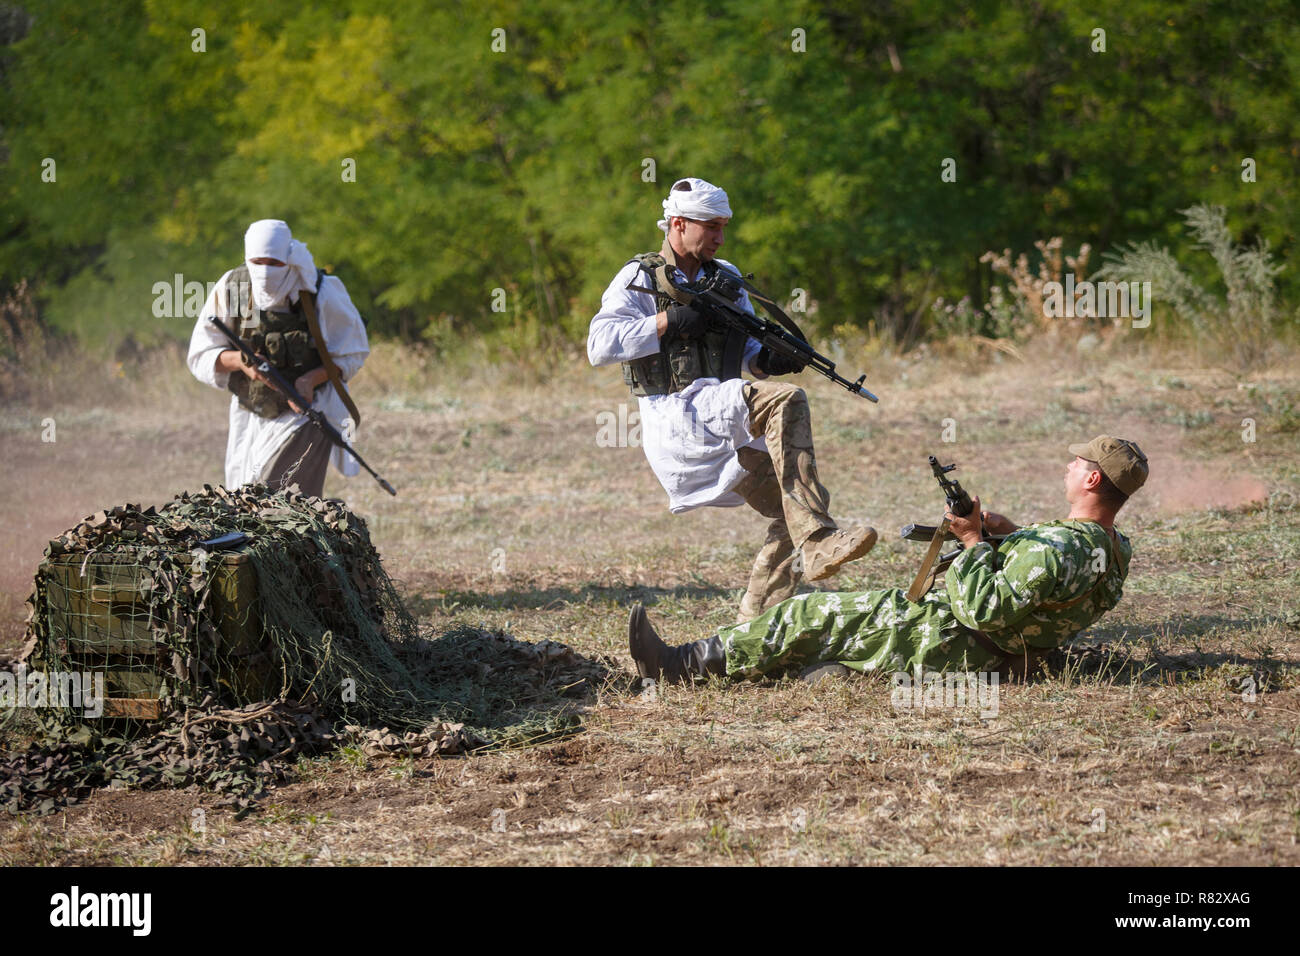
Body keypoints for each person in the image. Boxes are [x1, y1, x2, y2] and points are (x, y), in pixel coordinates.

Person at [628, 436, 1150, 682]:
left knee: (805, 612)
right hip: (1007, 651)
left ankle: (676, 666)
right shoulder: (1109, 546)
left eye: (1076, 462)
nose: (1067, 464)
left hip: (960, 642)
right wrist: (1006, 534)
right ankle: (834, 671)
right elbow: (1045, 580)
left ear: (1092, 479)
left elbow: (986, 609)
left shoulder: (1059, 547)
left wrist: (971, 542)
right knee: (834, 637)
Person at [589, 177, 877, 622]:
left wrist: (773, 359)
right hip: (678, 415)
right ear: (679, 223)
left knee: (796, 506)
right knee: (786, 402)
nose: (720, 237)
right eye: (711, 227)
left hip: (723, 411)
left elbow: (747, 353)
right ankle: (819, 544)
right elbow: (599, 345)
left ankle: (756, 624)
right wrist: (668, 323)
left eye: (724, 227)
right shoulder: (640, 276)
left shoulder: (725, 277)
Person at [187, 220, 370, 498]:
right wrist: (241, 362)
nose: (264, 271)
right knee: (248, 503)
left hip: (307, 414)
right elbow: (202, 352)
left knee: (277, 495)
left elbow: (351, 352)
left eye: (273, 262)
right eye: (256, 262)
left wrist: (310, 380)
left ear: (289, 257)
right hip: (251, 414)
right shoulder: (233, 287)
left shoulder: (319, 290)